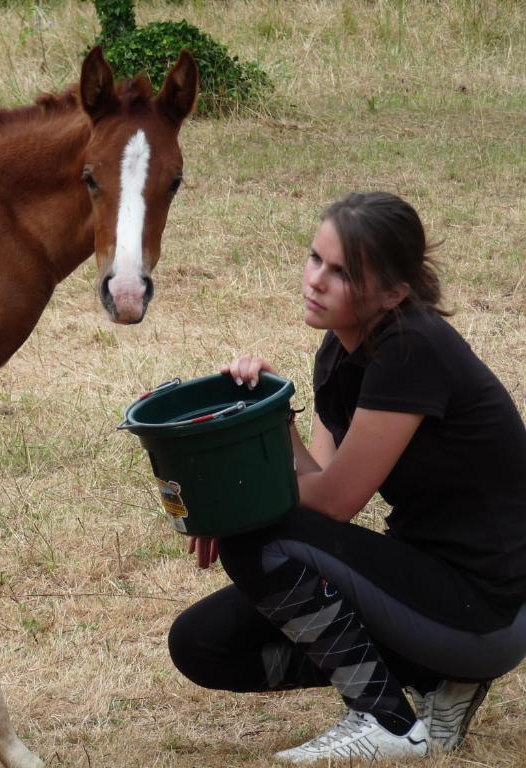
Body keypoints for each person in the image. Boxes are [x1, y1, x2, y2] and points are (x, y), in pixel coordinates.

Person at [168, 191, 526, 763]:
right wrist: (270, 415)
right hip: (423, 594)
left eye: (341, 272)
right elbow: (324, 487)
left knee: (257, 538)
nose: (315, 280)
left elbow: (331, 502)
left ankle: (385, 719)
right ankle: (434, 681)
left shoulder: (412, 349)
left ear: (393, 293)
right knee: (202, 645)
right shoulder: (338, 353)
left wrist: (231, 510)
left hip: (485, 611)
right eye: (315, 259)